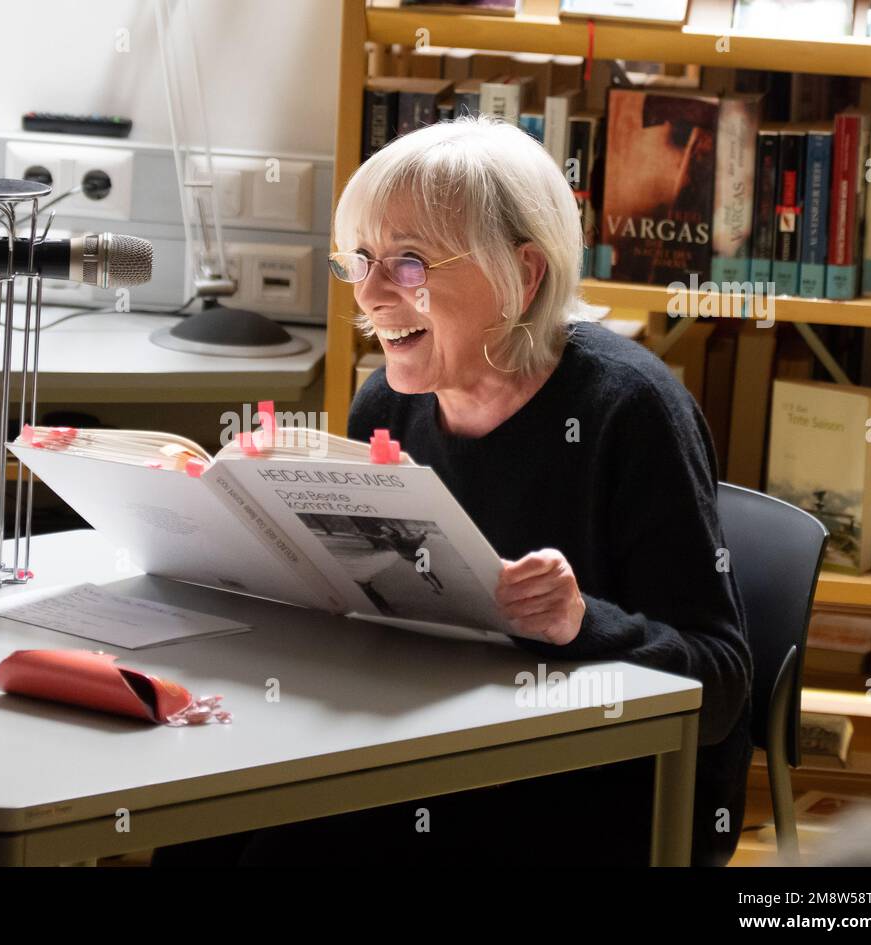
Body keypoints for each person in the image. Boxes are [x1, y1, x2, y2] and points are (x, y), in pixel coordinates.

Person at [154, 116, 751, 867]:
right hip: (429, 737)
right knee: (196, 832)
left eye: (409, 263)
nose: (369, 294)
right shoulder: (388, 407)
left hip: (591, 782)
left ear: (522, 275)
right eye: (361, 260)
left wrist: (579, 622)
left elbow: (722, 681)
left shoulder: (629, 412)